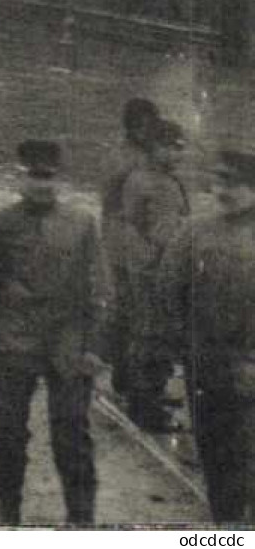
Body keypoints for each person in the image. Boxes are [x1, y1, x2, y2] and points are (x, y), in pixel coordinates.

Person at [0, 140, 109, 526]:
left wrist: (93, 346)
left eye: (49, 177)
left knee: (73, 436)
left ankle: (82, 521)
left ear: (59, 180)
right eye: (34, 176)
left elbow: (99, 289)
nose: (42, 184)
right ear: (20, 178)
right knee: (10, 437)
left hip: (68, 346)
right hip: (12, 345)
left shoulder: (82, 225)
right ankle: (9, 517)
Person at [160, 147, 255, 523]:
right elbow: (169, 288)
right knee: (217, 460)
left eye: (234, 183)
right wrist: (184, 345)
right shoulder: (196, 230)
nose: (223, 190)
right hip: (208, 365)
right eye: (219, 181)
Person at [115, 118, 191, 431]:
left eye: (179, 150)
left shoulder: (146, 178)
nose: (176, 155)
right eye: (171, 149)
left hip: (145, 264)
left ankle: (138, 390)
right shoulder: (155, 183)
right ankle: (146, 405)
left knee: (144, 330)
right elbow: (164, 234)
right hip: (156, 268)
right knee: (155, 335)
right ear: (155, 148)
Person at [98, 98, 160, 410]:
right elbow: (110, 204)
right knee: (127, 310)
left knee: (139, 309)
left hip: (137, 238)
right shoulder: (122, 158)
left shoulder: (144, 156)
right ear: (134, 127)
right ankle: (125, 380)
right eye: (144, 126)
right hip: (121, 238)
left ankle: (132, 379)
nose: (149, 132)